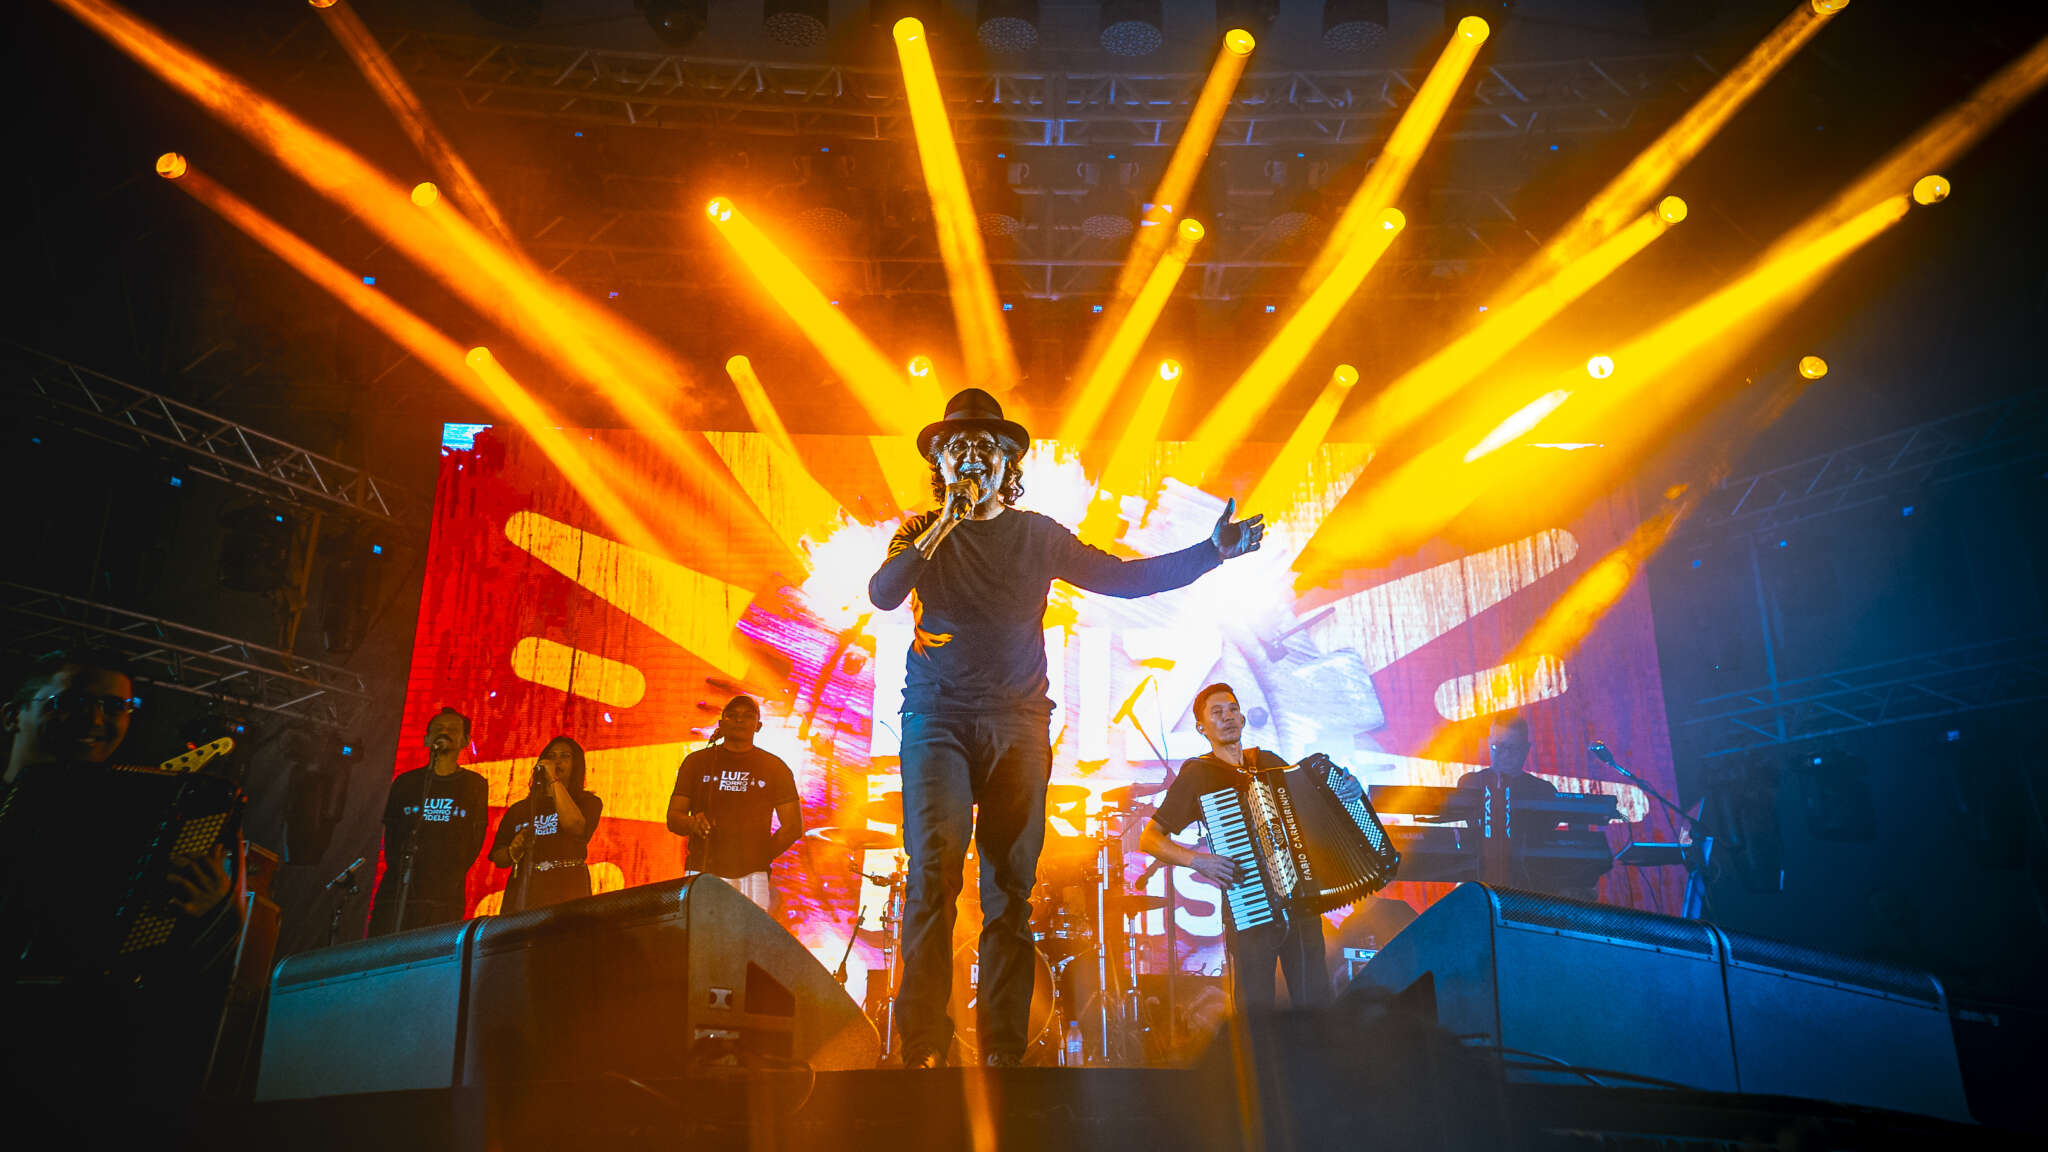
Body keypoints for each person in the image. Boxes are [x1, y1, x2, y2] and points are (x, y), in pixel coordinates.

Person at [867, 388, 1266, 1069]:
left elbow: (1123, 579)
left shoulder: (1038, 535)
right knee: (931, 877)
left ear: (1008, 462)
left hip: (1018, 723)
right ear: (939, 463)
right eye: (954, 447)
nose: (969, 456)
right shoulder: (918, 532)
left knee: (1009, 890)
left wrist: (1210, 553)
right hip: (935, 718)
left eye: (984, 447)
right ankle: (924, 1049)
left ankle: (1000, 1050)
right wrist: (945, 523)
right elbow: (883, 593)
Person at [0, 649, 238, 1137]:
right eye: (72, 701)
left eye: (116, 707)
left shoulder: (154, 814)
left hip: (79, 1056)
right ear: (13, 715)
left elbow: (195, 972)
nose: (96, 720)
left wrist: (212, 908)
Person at [1140, 682, 1364, 1011]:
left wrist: (1346, 792)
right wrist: (1197, 861)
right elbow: (1150, 837)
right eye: (1217, 713)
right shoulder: (1198, 775)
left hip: (1300, 902)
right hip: (1250, 907)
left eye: (1232, 709)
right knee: (1255, 1013)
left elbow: (1312, 803)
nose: (1228, 716)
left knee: (1315, 1006)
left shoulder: (1269, 761)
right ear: (1201, 728)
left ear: (1243, 719)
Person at [667, 695, 802, 912]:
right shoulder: (696, 762)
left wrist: (760, 856)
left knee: (747, 942)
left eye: (748, 716)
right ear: (721, 723)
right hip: (702, 871)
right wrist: (691, 823)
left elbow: (793, 827)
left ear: (758, 726)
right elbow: (674, 818)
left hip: (753, 875)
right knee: (702, 941)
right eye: (732, 715)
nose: (739, 720)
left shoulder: (775, 767)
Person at [367, 706, 489, 934]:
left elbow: (475, 839)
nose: (445, 732)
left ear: (465, 740)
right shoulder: (405, 783)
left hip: (443, 897)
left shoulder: (474, 785)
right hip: (396, 892)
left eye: (453, 729)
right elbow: (392, 835)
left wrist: (449, 873)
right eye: (438, 728)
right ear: (426, 739)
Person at [489, 735, 604, 913]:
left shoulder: (588, 802)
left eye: (565, 756)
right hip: (526, 888)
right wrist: (513, 850)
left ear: (576, 765)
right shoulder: (520, 809)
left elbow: (575, 827)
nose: (556, 761)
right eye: (551, 756)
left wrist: (553, 780)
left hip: (568, 887)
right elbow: (498, 856)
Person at [1453, 710, 1563, 890]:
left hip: (1532, 883)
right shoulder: (1471, 782)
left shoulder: (1543, 790)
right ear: (1489, 743)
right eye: (1498, 746)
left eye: (1513, 749)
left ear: (1526, 749)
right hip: (1478, 879)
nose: (1505, 754)